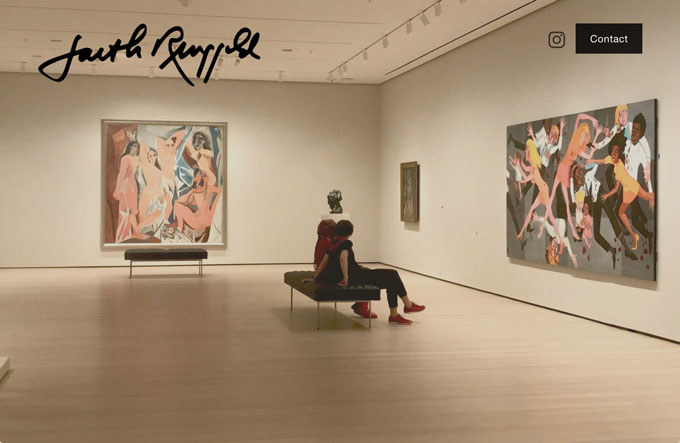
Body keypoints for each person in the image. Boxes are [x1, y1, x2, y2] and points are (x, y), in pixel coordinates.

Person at [305, 220, 425, 325]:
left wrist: (316, 277)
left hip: (355, 275)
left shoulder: (333, 245)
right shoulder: (345, 243)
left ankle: (397, 313)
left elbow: (324, 262)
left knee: (391, 280)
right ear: (350, 233)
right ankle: (406, 306)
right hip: (357, 276)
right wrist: (346, 277)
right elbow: (343, 257)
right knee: (393, 274)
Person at [588, 133, 655, 251]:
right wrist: (592, 159)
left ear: (620, 151)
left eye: (617, 150)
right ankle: (639, 233)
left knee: (623, 213)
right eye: (613, 150)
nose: (614, 152)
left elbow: (616, 186)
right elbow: (603, 163)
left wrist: (609, 195)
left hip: (630, 188)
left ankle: (636, 232)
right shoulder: (613, 159)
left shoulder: (620, 162)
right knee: (632, 211)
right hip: (630, 187)